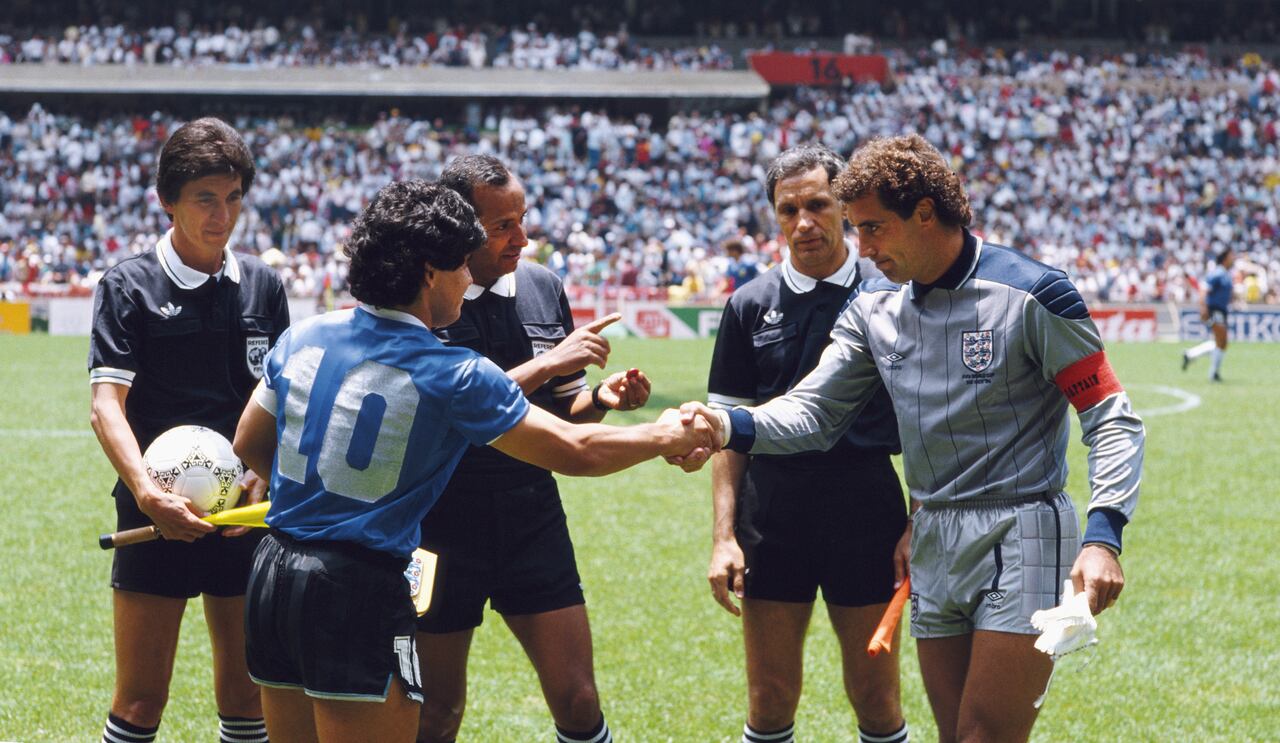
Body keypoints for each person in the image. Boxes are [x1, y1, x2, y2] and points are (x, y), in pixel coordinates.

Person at [679, 135, 1145, 743]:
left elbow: (1110, 415)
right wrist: (725, 424)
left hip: (1023, 527)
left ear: (925, 213)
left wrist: (1104, 536)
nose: (864, 249)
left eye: (872, 229)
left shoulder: (1035, 293)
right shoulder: (874, 309)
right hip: (934, 539)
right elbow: (814, 411)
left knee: (982, 736)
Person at [232, 179, 715, 743]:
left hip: (273, 573)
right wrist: (666, 433)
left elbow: (249, 443)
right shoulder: (452, 371)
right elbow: (574, 451)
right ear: (431, 273)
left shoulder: (306, 335)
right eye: (462, 264)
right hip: (358, 587)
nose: (470, 277)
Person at [415, 154, 649, 743]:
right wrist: (548, 361)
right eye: (503, 227)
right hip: (436, 524)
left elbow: (562, 410)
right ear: (459, 228)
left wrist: (603, 398)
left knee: (578, 699)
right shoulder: (424, 298)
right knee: (436, 711)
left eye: (523, 220)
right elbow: (446, 410)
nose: (522, 237)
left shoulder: (543, 285)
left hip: (530, 513)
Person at [88, 117, 289, 743]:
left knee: (247, 696)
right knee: (142, 701)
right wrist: (148, 492)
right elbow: (106, 405)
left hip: (246, 517)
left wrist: (263, 473)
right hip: (153, 512)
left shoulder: (263, 285)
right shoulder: (128, 286)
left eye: (232, 198)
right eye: (205, 198)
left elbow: (283, 397)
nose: (221, 215)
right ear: (167, 199)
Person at [705, 144, 910, 743]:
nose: (803, 222)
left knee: (877, 697)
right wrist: (723, 536)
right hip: (772, 512)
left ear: (844, 206)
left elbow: (930, 424)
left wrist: (916, 520)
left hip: (867, 507)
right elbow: (729, 430)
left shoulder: (892, 296)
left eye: (817, 204)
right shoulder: (748, 305)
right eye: (788, 209)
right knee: (769, 699)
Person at [1182, 248, 1235, 381]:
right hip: (1214, 310)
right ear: (1225, 258)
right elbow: (1203, 290)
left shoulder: (1226, 274)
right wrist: (1203, 308)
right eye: (1231, 255)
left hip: (1222, 310)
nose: (1233, 258)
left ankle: (1191, 354)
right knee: (1221, 338)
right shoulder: (1217, 273)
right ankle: (1213, 373)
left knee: (1222, 342)